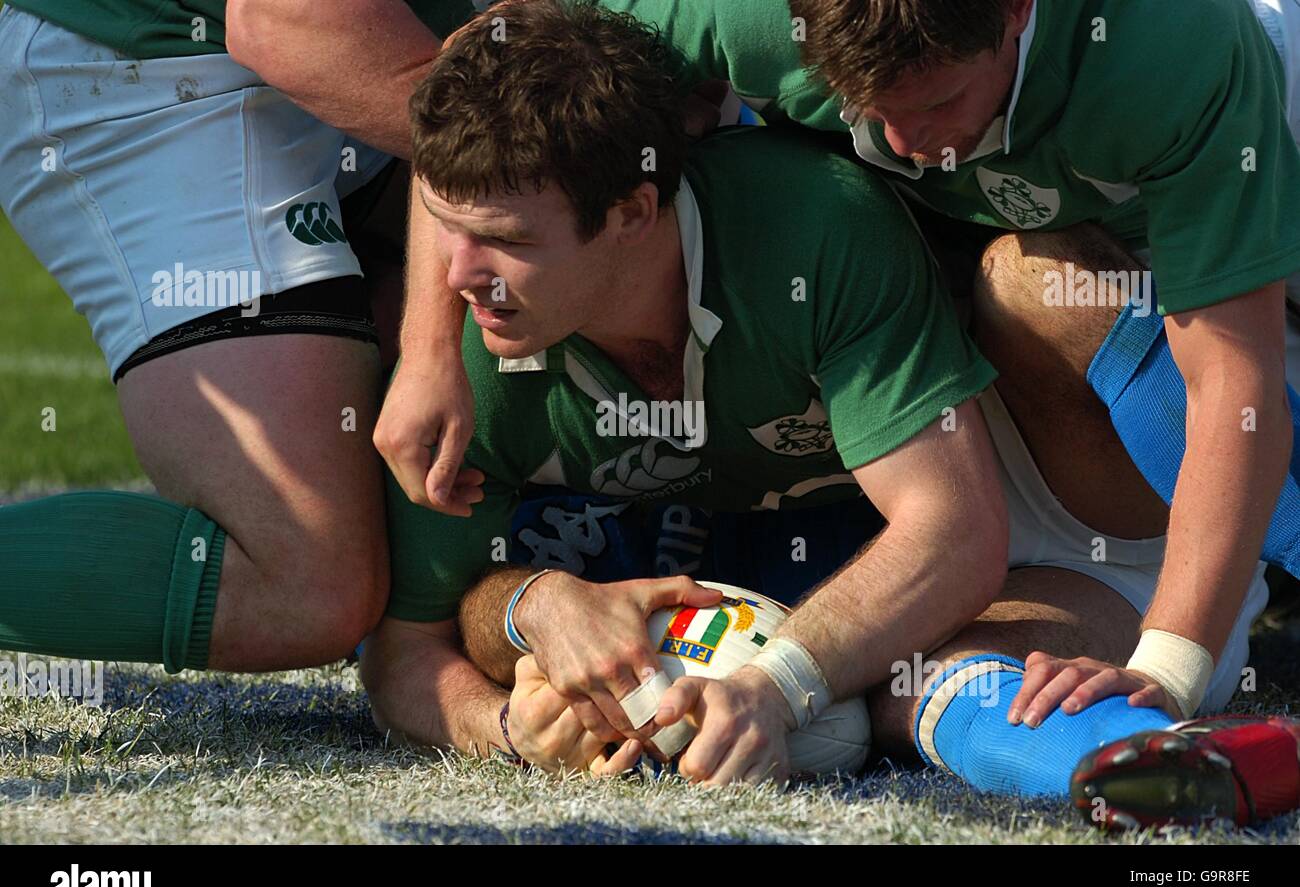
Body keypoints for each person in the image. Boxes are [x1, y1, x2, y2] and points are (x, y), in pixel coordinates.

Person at [360, 1, 1282, 800]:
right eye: (862, 110)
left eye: (933, 105)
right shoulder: (746, 23)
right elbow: (483, 62)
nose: (900, 149)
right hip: (969, 480)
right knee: (913, 692)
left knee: (1033, 282)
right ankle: (1182, 768)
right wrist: (429, 351)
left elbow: (1231, 387)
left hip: (1139, 403)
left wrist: (1170, 662)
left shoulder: (1172, 46)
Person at [0, 0, 485, 671]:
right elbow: (279, 17)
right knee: (307, 585)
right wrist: (432, 340)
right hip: (157, 72)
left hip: (385, 50)